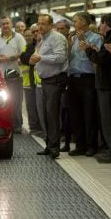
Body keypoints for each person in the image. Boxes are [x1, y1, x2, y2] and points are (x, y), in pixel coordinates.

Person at [86, 13, 111, 164]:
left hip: (108, 85)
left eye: (100, 24)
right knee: (108, 118)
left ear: (105, 24)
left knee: (110, 119)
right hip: (107, 84)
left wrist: (89, 51)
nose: (99, 27)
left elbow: (101, 59)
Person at [29, 14, 68, 159]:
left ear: (51, 25)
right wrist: (34, 59)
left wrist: (41, 58)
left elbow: (61, 57)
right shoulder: (43, 38)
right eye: (39, 23)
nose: (40, 26)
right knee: (46, 114)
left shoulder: (56, 38)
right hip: (45, 81)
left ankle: (54, 148)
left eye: (43, 24)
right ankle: (49, 144)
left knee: (52, 114)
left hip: (55, 80)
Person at [65, 12, 101, 156]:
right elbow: (68, 59)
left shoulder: (95, 38)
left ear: (84, 22)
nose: (74, 23)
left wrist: (85, 43)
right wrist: (69, 45)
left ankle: (91, 145)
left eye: (76, 20)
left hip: (88, 79)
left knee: (89, 113)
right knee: (75, 113)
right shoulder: (72, 39)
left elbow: (95, 58)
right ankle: (80, 145)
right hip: (73, 78)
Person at [0, 16, 26, 133]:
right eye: (3, 24)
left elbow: (24, 52)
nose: (5, 26)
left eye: (7, 23)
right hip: (2, 76)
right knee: (3, 102)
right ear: (0, 26)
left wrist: (10, 58)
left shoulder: (19, 38)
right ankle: (5, 124)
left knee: (16, 101)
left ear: (11, 24)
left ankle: (17, 125)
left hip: (16, 75)